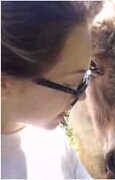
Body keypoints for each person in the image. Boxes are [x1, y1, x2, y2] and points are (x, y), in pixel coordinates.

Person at [1, 2, 93, 179]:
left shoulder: (54, 144)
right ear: (4, 83)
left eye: (85, 79)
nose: (83, 97)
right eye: (72, 85)